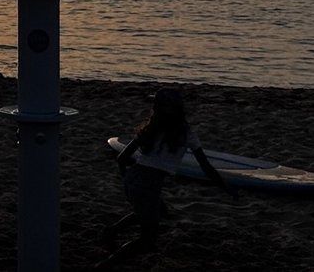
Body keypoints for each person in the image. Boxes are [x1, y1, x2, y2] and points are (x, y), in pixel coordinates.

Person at [98, 88, 236, 267]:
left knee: (158, 211)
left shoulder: (149, 129)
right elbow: (206, 167)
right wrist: (226, 187)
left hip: (134, 178)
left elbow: (122, 158)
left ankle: (111, 231)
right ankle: (106, 265)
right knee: (148, 239)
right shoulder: (186, 133)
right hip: (148, 183)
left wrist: (128, 181)